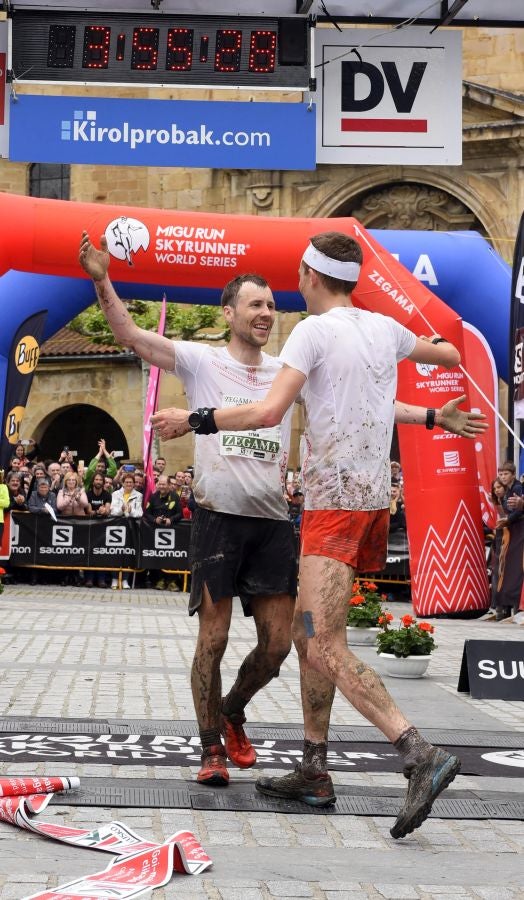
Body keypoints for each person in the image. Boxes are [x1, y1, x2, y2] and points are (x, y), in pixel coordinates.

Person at [79, 228, 487, 799]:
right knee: (246, 640)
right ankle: (256, 756)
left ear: (308, 279)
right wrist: (103, 280)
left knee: (299, 643)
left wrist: (197, 419)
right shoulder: (207, 357)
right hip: (243, 513)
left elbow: (307, 405)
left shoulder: (301, 348)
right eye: (256, 304)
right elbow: (127, 332)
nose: (269, 311)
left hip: (292, 515)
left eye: (274, 301)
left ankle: (388, 747)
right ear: (228, 313)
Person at [144, 474, 183, 591]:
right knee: (158, 556)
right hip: (155, 533)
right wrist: (154, 520)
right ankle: (159, 581)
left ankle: (172, 581)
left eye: (164, 484)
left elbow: (180, 514)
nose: (161, 486)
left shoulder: (175, 496)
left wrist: (171, 519)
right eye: (159, 484)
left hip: (171, 533)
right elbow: (147, 513)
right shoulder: (153, 497)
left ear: (169, 485)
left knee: (171, 557)